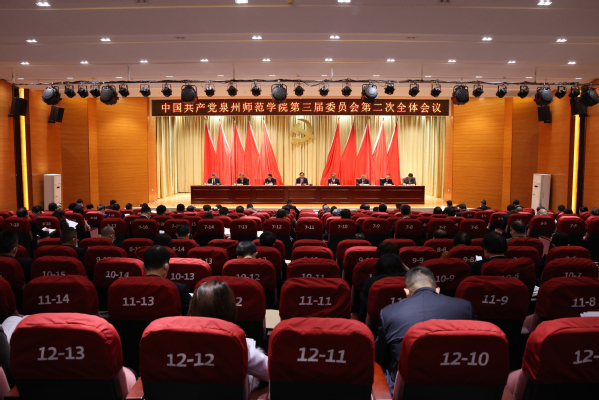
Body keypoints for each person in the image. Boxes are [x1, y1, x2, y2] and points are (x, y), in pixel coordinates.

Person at [375, 267, 476, 392]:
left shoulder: (388, 312)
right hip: (456, 387)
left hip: (404, 390)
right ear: (437, 290)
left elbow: (380, 357)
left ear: (406, 292)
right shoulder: (465, 307)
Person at [188, 280, 269, 383]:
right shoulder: (235, 342)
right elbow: (271, 372)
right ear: (230, 308)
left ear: (193, 306)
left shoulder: (174, 337)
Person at [358, 251, 407, 323]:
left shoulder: (370, 283)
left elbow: (364, 311)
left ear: (378, 267)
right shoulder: (411, 281)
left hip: (375, 326)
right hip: (407, 323)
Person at [143, 245, 190, 316]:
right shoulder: (180, 289)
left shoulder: (130, 287)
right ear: (166, 267)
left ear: (143, 266)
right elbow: (190, 316)